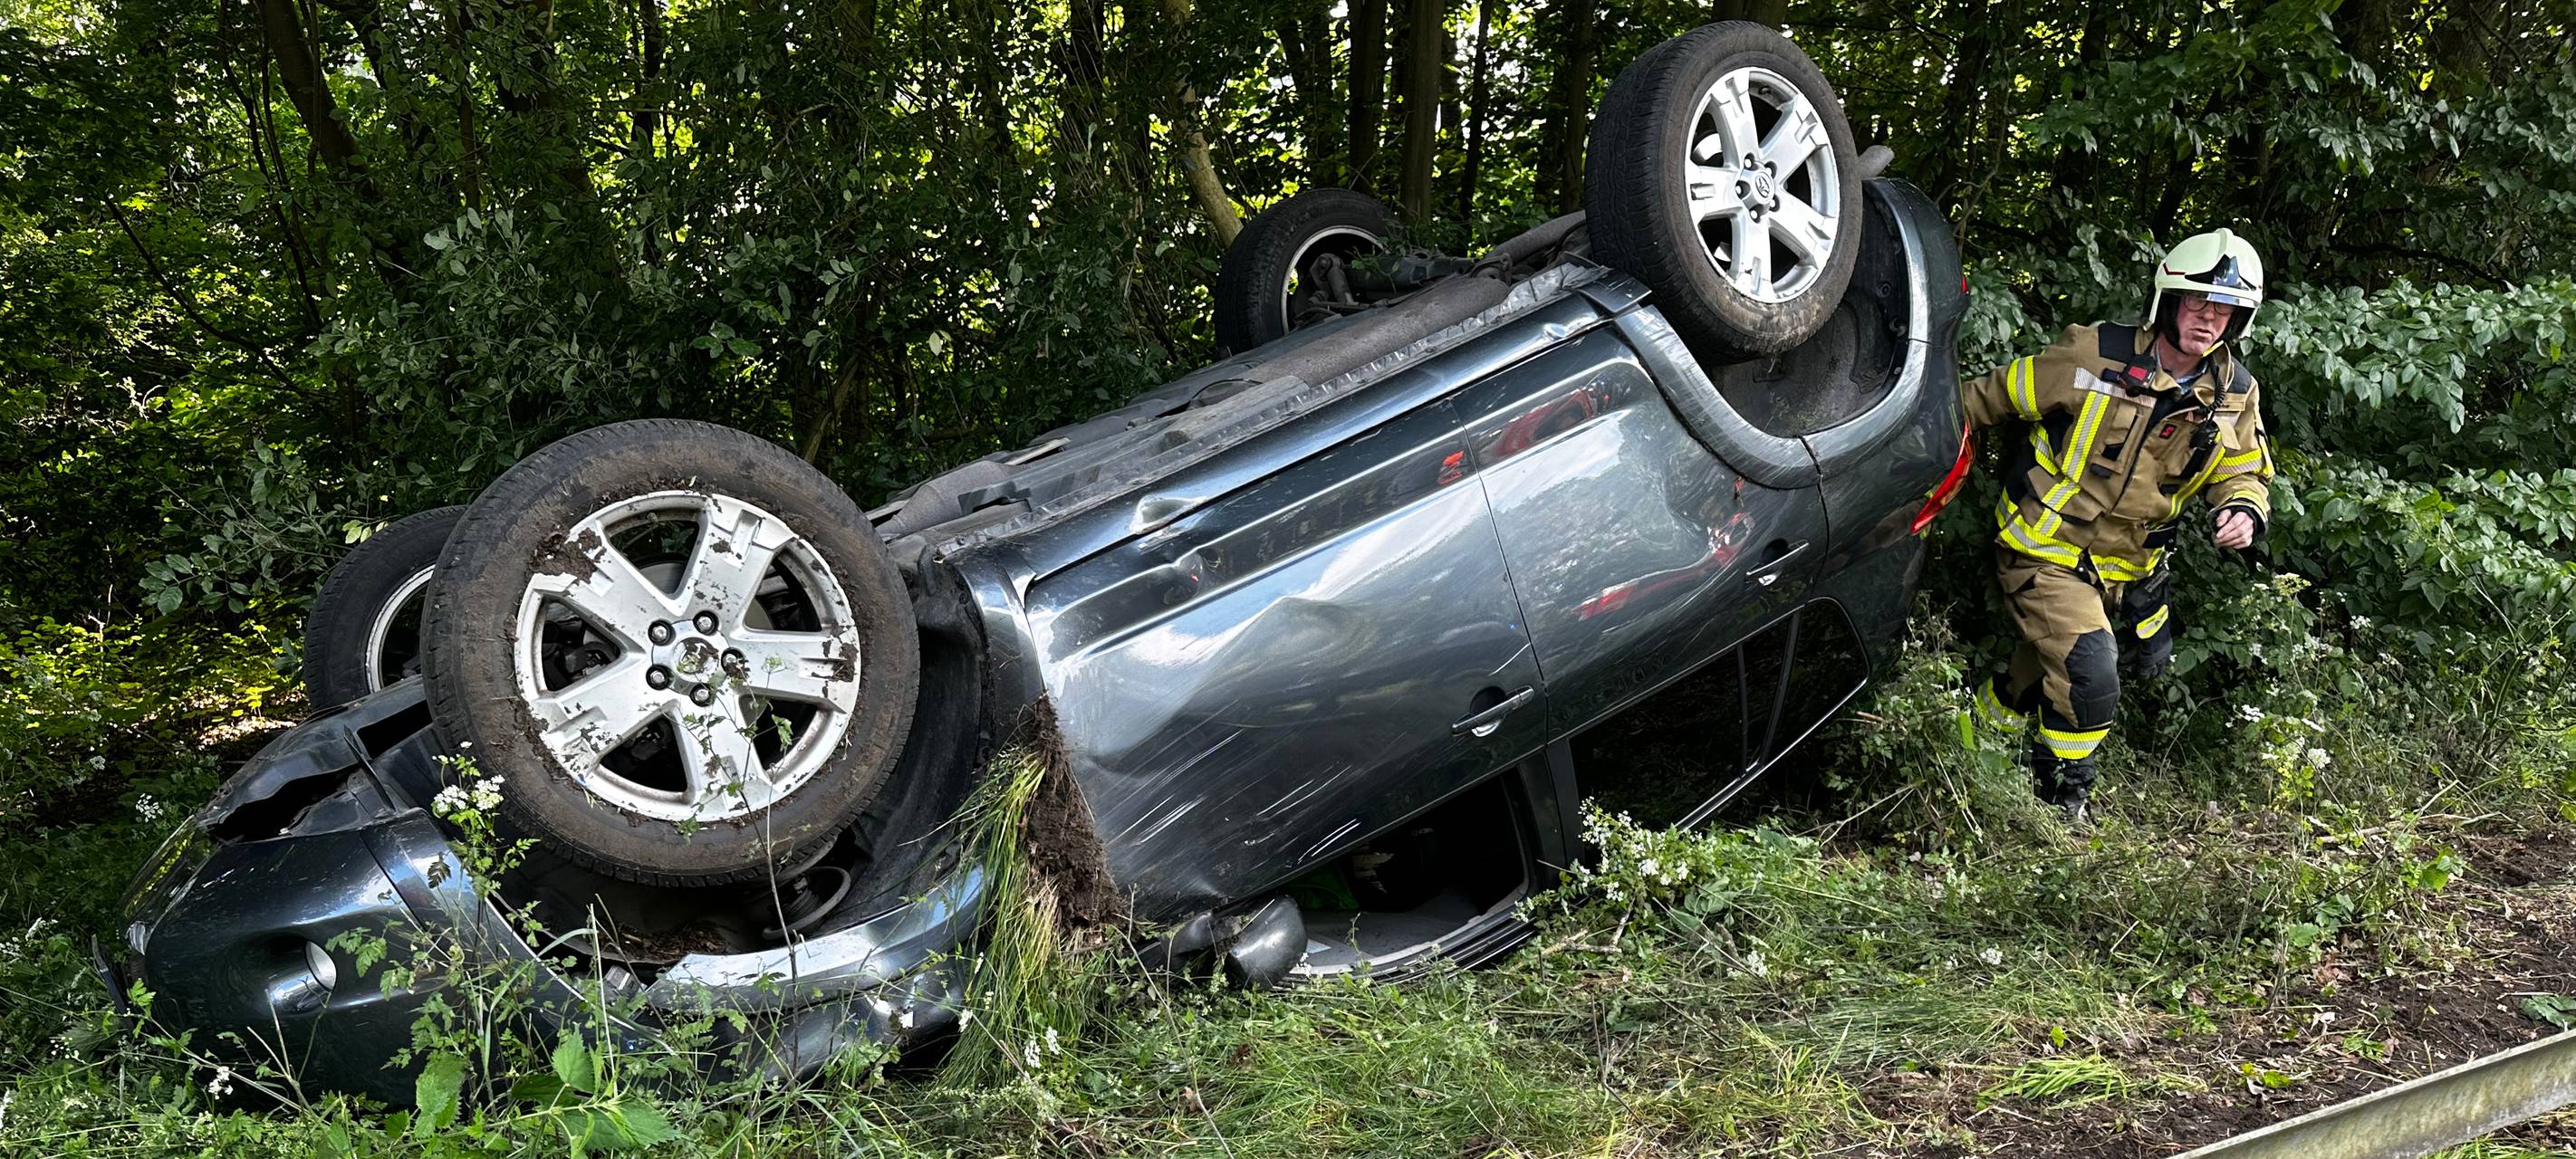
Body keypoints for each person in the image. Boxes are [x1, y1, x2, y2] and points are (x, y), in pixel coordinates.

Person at [1962, 228, 2276, 820]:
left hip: (2124, 571)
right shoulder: (2093, 355)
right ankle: (2060, 807)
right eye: (2198, 303)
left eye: (2225, 310)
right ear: (2169, 302)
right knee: (2089, 672)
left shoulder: (2234, 393)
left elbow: (2243, 470)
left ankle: (1965, 749)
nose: (2209, 320)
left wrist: (2240, 508)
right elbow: (1988, 398)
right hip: (2043, 548)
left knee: (2035, 676)